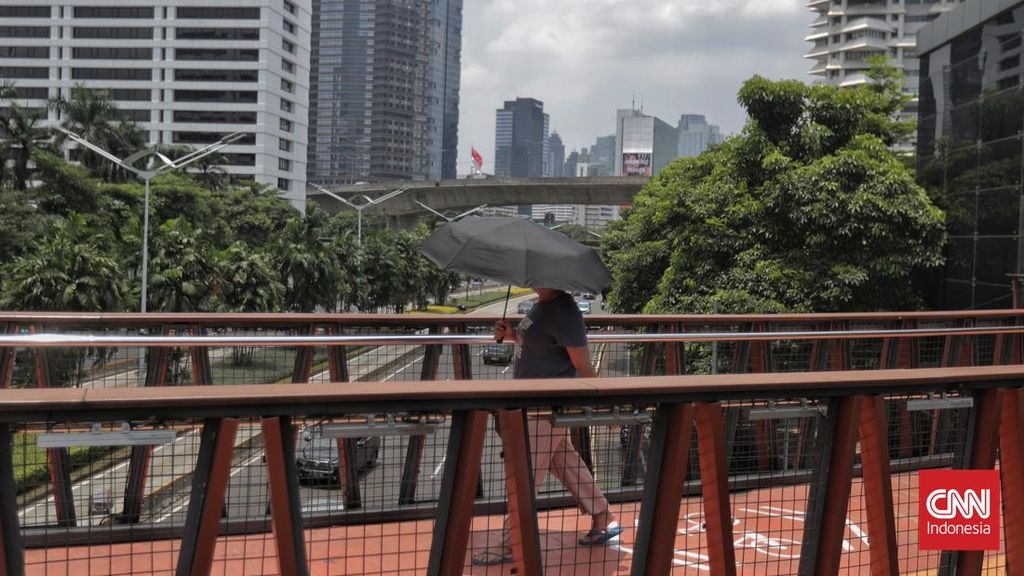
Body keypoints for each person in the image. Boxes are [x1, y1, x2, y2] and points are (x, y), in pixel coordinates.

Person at [472, 287, 622, 566]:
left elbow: (583, 365)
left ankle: (509, 543)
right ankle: (603, 516)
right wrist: (512, 334)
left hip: (545, 407)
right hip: (532, 403)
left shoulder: (565, 311)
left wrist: (605, 403)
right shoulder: (541, 304)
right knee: (565, 463)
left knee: (525, 474)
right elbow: (541, 345)